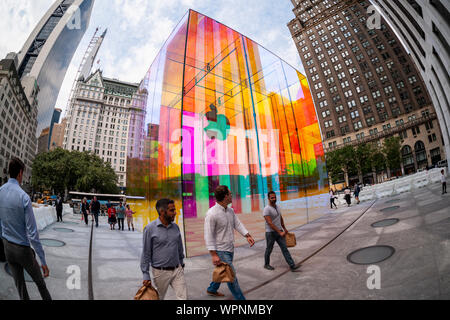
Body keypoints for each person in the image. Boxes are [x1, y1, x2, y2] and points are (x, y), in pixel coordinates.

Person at [0, 157, 52, 300]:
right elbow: (33, 234)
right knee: (40, 284)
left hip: (7, 247)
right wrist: (43, 261)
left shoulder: (0, 191)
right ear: (20, 173)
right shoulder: (24, 197)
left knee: (20, 287)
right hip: (22, 250)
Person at [204, 185, 255, 300]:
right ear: (225, 196)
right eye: (230, 194)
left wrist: (247, 235)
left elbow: (237, 223)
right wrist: (213, 254)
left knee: (223, 271)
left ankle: (212, 289)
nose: (232, 196)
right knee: (231, 276)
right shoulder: (212, 214)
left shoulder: (230, 211)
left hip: (230, 248)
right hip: (220, 250)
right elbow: (208, 235)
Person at [140, 199, 187, 300]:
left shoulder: (175, 227)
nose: (175, 212)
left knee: (183, 298)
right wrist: (145, 274)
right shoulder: (150, 229)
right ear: (162, 212)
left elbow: (179, 246)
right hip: (160, 272)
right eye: (172, 210)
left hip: (177, 270)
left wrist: (181, 262)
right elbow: (146, 253)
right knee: (158, 298)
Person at [263, 191, 300, 272]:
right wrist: (279, 232)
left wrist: (284, 228)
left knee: (284, 248)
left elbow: (280, 218)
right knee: (269, 249)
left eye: (275, 197)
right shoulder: (266, 209)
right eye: (272, 197)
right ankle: (266, 264)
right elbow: (270, 223)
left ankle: (292, 265)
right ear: (268, 199)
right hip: (270, 233)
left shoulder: (277, 207)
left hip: (279, 231)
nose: (274, 199)